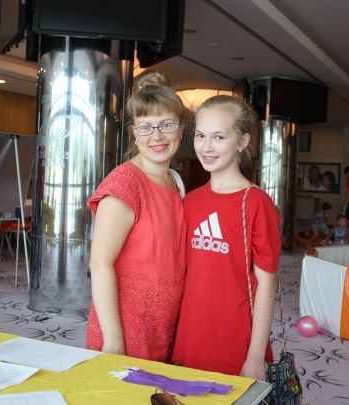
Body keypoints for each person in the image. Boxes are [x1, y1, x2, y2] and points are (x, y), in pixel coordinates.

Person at [172, 95, 280, 380]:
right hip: (191, 335)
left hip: (236, 340)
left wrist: (255, 356)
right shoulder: (190, 202)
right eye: (200, 135)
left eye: (218, 137)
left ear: (242, 141)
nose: (206, 147)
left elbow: (266, 286)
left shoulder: (256, 203)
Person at [85, 72, 186, 362]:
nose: (157, 135)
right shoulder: (125, 183)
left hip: (164, 325)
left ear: (181, 129)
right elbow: (100, 264)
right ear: (134, 132)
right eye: (145, 127)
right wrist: (114, 341)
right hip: (124, 332)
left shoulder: (175, 181)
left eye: (167, 124)